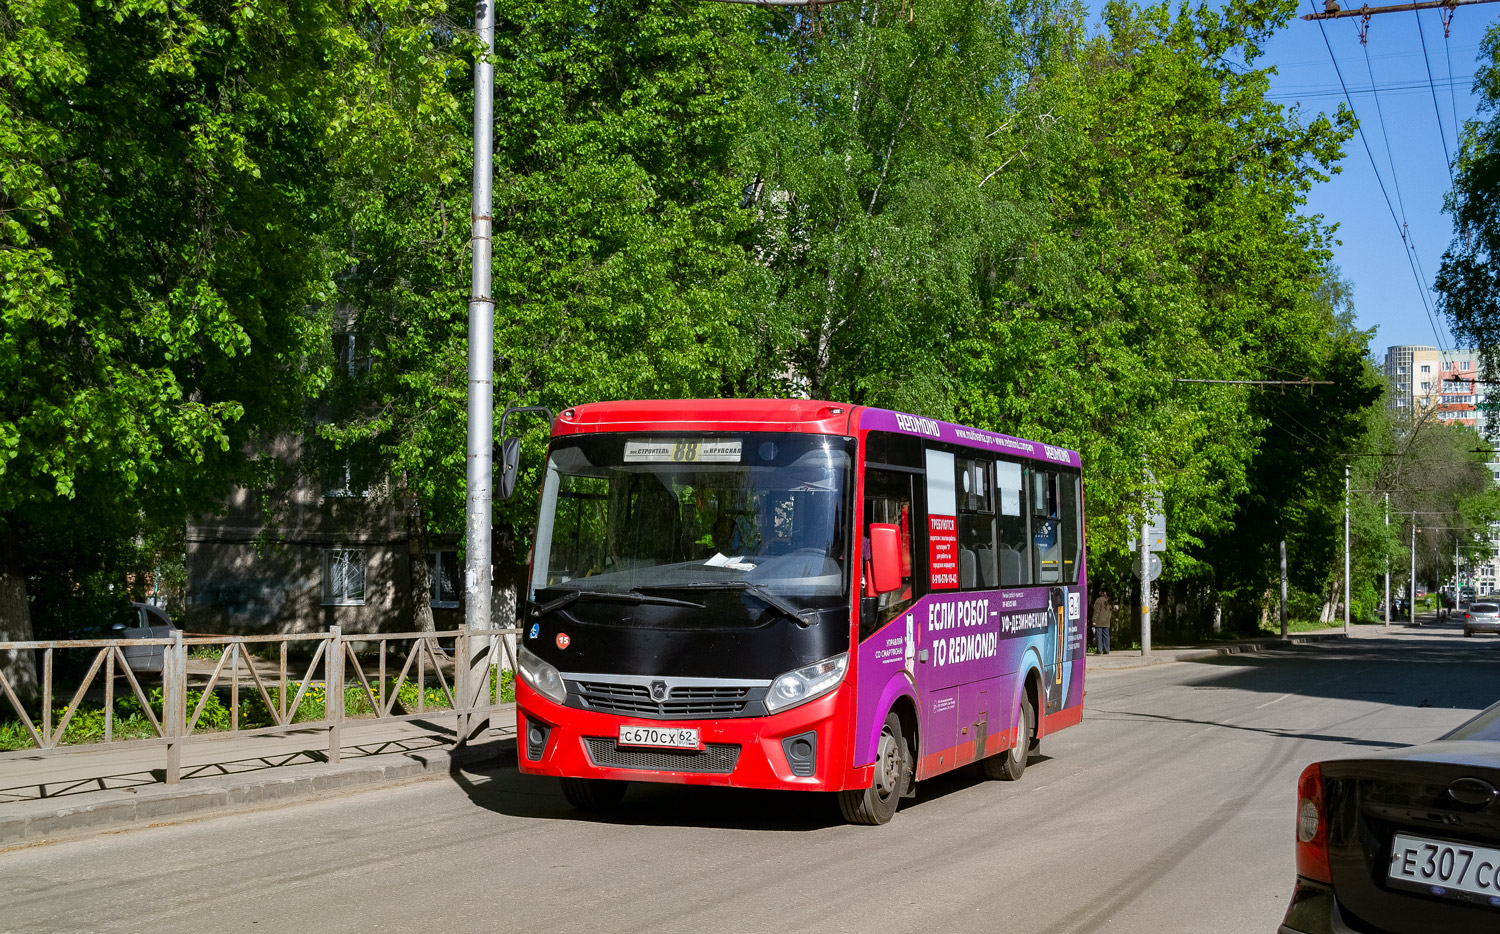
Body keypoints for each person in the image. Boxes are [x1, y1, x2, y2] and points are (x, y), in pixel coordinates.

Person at [1091, 588, 1113, 655]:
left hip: (1099, 621)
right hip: (1106, 621)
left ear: (1101, 592)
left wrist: (1094, 619)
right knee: (1106, 636)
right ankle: (1107, 649)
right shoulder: (1108, 601)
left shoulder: (1099, 600)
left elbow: (1096, 611)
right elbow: (1111, 611)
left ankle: (1099, 650)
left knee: (1099, 636)